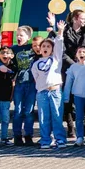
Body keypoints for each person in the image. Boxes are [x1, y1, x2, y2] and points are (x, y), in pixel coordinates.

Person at [31, 17, 67, 149]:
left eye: (48, 46)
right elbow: (37, 78)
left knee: (57, 116)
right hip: (42, 93)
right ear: (39, 49)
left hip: (55, 91)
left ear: (52, 49)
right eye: (43, 46)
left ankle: (60, 139)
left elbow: (59, 44)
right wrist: (42, 87)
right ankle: (45, 139)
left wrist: (60, 31)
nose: (45, 48)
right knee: (43, 117)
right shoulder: (36, 64)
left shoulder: (56, 59)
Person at [61, 46, 85, 146]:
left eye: (84, 52)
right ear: (76, 55)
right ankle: (80, 137)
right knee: (79, 117)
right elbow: (68, 83)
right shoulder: (73, 67)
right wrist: (66, 97)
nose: (81, 53)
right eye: (79, 52)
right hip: (78, 95)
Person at [11, 28, 39, 146]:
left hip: (31, 83)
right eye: (17, 35)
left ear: (28, 37)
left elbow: (48, 46)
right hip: (19, 83)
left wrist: (52, 27)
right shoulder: (13, 49)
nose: (19, 37)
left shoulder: (32, 48)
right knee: (18, 111)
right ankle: (17, 136)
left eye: (21, 35)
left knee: (29, 111)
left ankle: (28, 135)